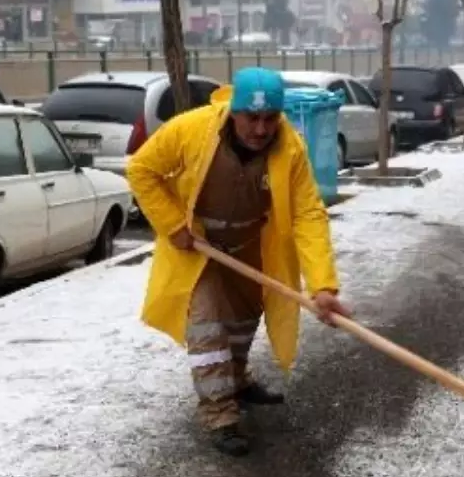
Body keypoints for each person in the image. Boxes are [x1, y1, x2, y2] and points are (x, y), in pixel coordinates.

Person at [126, 67, 351, 457]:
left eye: (270, 118)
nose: (261, 129)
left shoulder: (290, 147)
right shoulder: (192, 129)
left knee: (244, 321)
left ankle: (238, 379)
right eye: (252, 117)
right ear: (234, 111)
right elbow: (141, 169)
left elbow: (308, 214)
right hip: (197, 247)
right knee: (208, 330)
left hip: (249, 242)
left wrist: (323, 286)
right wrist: (172, 224)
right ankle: (219, 413)